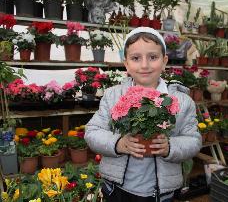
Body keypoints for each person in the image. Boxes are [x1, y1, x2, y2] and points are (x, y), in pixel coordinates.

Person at [85, 27, 202, 202]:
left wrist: (170, 146)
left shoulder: (182, 101)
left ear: (164, 61)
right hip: (117, 188)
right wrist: (118, 143)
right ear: (126, 64)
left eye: (153, 57)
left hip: (161, 193)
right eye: (135, 58)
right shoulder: (113, 95)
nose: (145, 65)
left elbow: (194, 140)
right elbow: (92, 132)